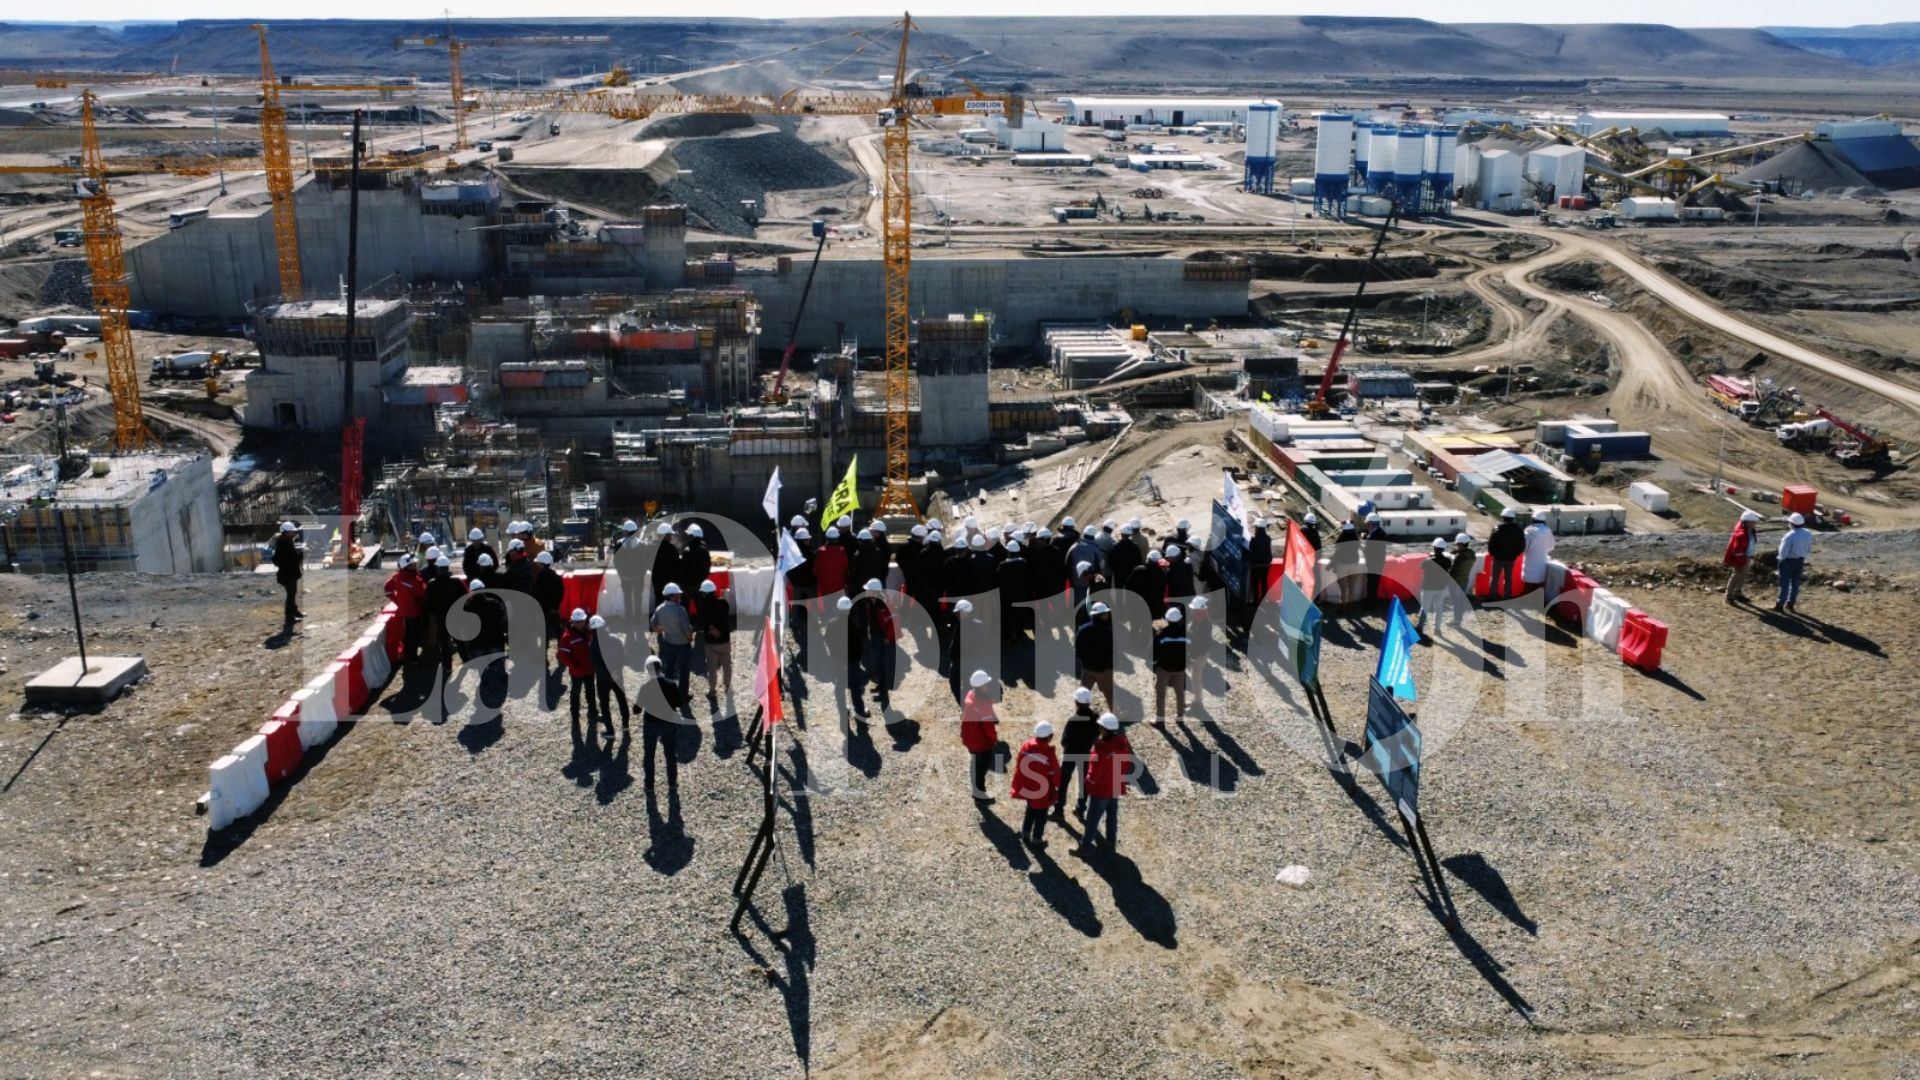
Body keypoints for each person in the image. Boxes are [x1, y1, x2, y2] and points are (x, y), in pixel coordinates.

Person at [1076, 714, 1131, 856]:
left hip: (1101, 790)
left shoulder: (1100, 748)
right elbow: (1125, 766)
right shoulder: (1122, 745)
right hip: (1115, 787)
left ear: (1105, 729)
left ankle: (1085, 847)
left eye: (1101, 726)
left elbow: (1093, 771)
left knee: (1092, 820)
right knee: (1112, 816)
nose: (1099, 728)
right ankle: (1111, 842)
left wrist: (1088, 782)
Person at [849, 580, 897, 719]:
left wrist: (888, 637)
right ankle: (881, 687)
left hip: (883, 638)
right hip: (877, 636)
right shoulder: (872, 602)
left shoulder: (884, 603)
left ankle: (884, 693)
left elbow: (893, 621)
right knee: (877, 663)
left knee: (882, 664)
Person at [1011, 721, 1062, 848]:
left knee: (1030, 809)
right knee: (1041, 815)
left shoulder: (1026, 746)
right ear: (1049, 736)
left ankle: (1025, 832)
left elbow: (1019, 765)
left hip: (1028, 788)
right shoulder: (1048, 752)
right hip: (1042, 791)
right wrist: (1057, 784)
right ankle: (1037, 838)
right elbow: (1054, 772)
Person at [639, 655, 682, 797]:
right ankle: (672, 783)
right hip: (669, 723)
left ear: (647, 670)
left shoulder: (645, 687)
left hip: (651, 724)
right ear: (660, 667)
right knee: (670, 755)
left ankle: (649, 785)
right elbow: (680, 704)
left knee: (649, 756)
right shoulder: (671, 684)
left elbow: (636, 710)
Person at [1055, 687, 1099, 821]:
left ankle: (1059, 810)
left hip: (1071, 754)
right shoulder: (1095, 718)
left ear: (1076, 702)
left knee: (1063, 782)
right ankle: (1081, 809)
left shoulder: (1074, 719)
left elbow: (1064, 740)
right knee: (1083, 782)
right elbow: (1096, 735)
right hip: (1086, 753)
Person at [650, 582, 695, 711]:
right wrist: (690, 638)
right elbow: (687, 630)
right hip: (682, 645)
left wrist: (661, 629)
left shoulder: (660, 609)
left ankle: (668, 695)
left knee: (669, 670)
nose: (679, 597)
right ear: (671, 596)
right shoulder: (680, 610)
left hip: (668, 643)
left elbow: (653, 625)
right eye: (677, 595)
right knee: (684, 671)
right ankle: (682, 696)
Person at [961, 670, 1001, 805]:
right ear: (982, 686)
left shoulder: (970, 695)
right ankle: (979, 795)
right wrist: (994, 741)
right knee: (981, 769)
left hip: (971, 738)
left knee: (975, 765)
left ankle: (977, 790)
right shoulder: (982, 706)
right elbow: (989, 729)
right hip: (982, 744)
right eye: (986, 684)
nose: (988, 685)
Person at [693, 579, 733, 712]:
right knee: (727, 666)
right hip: (725, 640)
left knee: (712, 669)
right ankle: (728, 688)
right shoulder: (724, 603)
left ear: (704, 593)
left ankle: (712, 691)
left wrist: (711, 629)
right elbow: (724, 617)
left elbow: (702, 622)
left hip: (711, 643)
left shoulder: (703, 606)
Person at [557, 608, 599, 730]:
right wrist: (575, 665)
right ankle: (575, 718)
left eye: (582, 620)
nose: (580, 623)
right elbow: (563, 656)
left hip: (590, 670)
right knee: (575, 695)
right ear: (572, 621)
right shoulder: (567, 637)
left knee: (591, 692)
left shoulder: (589, 632)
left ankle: (593, 712)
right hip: (577, 673)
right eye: (577, 621)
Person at [383, 554, 428, 664]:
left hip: (404, 612)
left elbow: (387, 589)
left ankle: (407, 655)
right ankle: (413, 658)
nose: (416, 565)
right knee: (414, 636)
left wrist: (396, 600)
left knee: (407, 635)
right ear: (408, 567)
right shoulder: (414, 580)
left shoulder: (397, 576)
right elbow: (422, 593)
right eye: (413, 564)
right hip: (414, 613)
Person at [589, 614, 629, 733]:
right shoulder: (616, 639)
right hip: (617, 677)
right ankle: (626, 725)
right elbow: (623, 658)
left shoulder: (592, 645)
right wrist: (616, 672)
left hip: (603, 680)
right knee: (622, 700)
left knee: (605, 705)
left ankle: (610, 731)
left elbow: (596, 665)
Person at [424, 555, 464, 669]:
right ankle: (466, 660)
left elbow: (428, 604)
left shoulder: (432, 584)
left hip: (440, 618)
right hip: (456, 617)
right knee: (460, 642)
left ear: (437, 569)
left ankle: (447, 666)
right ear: (448, 568)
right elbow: (465, 598)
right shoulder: (456, 582)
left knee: (444, 643)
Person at [1075, 600, 1116, 708]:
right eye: (1106, 613)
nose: (1108, 615)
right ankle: (1114, 714)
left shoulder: (1082, 630)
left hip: (1087, 669)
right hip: (1104, 670)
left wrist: (1084, 662)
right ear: (1102, 616)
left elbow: (1078, 650)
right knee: (1109, 692)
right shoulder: (1109, 632)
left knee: (1083, 693)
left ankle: (1081, 713)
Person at [1152, 605, 1189, 727]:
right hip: (1180, 669)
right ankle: (1180, 718)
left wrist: (1154, 667)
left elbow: (1153, 654)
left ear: (1166, 619)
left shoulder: (1160, 635)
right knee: (1180, 694)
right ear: (1180, 619)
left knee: (1161, 694)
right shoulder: (1186, 633)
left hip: (1164, 669)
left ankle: (1160, 720)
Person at [1415, 537, 1455, 638]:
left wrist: (1430, 557)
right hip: (1441, 588)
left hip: (1428, 588)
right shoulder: (1447, 561)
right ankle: (1437, 629)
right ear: (1443, 549)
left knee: (1425, 608)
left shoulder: (1427, 561)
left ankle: (1420, 627)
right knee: (1439, 609)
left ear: (1434, 548)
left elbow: (1422, 567)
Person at [1775, 512, 1813, 612]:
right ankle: (1790, 603)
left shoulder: (1790, 535)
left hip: (1788, 561)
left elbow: (1783, 552)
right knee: (1795, 583)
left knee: (1784, 584)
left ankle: (1780, 605)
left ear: (1791, 523)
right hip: (1800, 561)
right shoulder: (1808, 533)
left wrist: (1780, 560)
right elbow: (1808, 548)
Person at [1723, 510, 1762, 604]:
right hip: (1741, 558)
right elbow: (1737, 551)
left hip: (1746, 557)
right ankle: (1729, 596)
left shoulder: (1749, 530)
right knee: (1736, 575)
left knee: (1742, 575)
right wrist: (1741, 561)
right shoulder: (1741, 534)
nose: (1755, 523)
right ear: (1747, 522)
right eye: (1753, 521)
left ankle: (1737, 593)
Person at [532, 550, 565, 656]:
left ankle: (543, 657)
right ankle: (562, 653)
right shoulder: (556, 576)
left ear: (541, 563)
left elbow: (537, 593)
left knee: (544, 634)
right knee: (558, 631)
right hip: (554, 609)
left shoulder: (540, 577)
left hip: (543, 610)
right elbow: (561, 592)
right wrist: (555, 606)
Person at [271, 521, 304, 628]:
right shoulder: (285, 544)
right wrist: (300, 555)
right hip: (288, 574)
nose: (294, 533)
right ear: (286, 532)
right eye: (292, 531)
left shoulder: (285, 542)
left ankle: (294, 612)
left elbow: (278, 559)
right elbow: (291, 559)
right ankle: (289, 617)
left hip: (287, 573)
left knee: (292, 593)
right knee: (291, 595)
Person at [996, 539, 1029, 642]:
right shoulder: (1023, 562)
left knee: (1009, 615)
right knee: (1020, 614)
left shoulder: (1002, 565)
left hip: (1007, 596)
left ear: (1008, 551)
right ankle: (1020, 632)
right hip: (1021, 594)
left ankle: (1011, 635)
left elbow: (998, 579)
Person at [1487, 509, 1526, 598]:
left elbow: (1491, 543)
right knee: (1508, 578)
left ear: (1503, 517)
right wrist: (1515, 554)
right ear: (1512, 518)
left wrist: (1493, 553)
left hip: (1498, 558)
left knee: (1495, 578)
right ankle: (1507, 596)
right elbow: (1522, 545)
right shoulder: (1518, 530)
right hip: (1511, 559)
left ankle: (1492, 597)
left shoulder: (1497, 529)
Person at [1126, 549, 1167, 620]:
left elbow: (1128, 585)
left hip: (1138, 607)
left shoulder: (1138, 570)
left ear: (1147, 559)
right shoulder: (1162, 573)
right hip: (1154, 610)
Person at [1330, 521, 1363, 609]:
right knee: (1352, 586)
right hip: (1354, 565)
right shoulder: (1356, 540)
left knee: (1343, 588)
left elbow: (1336, 553)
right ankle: (1351, 604)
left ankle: (1343, 605)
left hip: (1342, 566)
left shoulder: (1340, 541)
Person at [1521, 510, 1556, 592]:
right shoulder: (1548, 531)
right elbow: (1551, 547)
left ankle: (1526, 602)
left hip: (1529, 562)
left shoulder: (1528, 531)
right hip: (1541, 563)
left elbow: (1524, 548)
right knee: (1538, 587)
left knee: (1528, 586)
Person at [1448, 533, 1477, 625]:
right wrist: (1458, 551)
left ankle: (1457, 621)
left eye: (1458, 544)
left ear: (1460, 544)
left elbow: (1453, 570)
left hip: (1456, 581)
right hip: (1464, 580)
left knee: (1456, 602)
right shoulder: (1472, 554)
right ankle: (1459, 618)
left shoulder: (1459, 557)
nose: (1457, 545)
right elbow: (1466, 553)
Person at [813, 526, 850, 598]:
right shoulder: (842, 551)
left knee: (827, 608)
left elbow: (815, 571)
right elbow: (846, 569)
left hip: (825, 587)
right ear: (837, 538)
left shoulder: (820, 552)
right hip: (839, 587)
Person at [1246, 518, 1274, 610]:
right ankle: (1263, 601)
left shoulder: (1254, 539)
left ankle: (1255, 602)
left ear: (1257, 528)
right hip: (1266, 564)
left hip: (1256, 565)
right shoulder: (1268, 538)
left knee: (1255, 583)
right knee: (1264, 582)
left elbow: (1250, 551)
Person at [652, 522, 682, 606]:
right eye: (670, 535)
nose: (671, 537)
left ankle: (658, 617)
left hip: (657, 581)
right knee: (670, 604)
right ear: (665, 536)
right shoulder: (672, 549)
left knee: (658, 601)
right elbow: (678, 566)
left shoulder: (652, 548)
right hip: (669, 582)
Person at [1360, 514, 1389, 602]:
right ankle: (1371, 601)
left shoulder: (1374, 535)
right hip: (1378, 562)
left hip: (1374, 563)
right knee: (1373, 583)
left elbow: (1368, 549)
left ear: (1371, 524)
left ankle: (1371, 604)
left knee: (1372, 584)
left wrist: (1362, 542)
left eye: (1368, 524)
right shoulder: (1380, 532)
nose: (1367, 526)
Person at [680, 523, 712, 595]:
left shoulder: (687, 550)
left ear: (692, 536)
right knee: (702, 605)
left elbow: (682, 568)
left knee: (685, 605)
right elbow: (708, 567)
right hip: (700, 585)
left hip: (687, 585)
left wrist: (681, 581)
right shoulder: (705, 550)